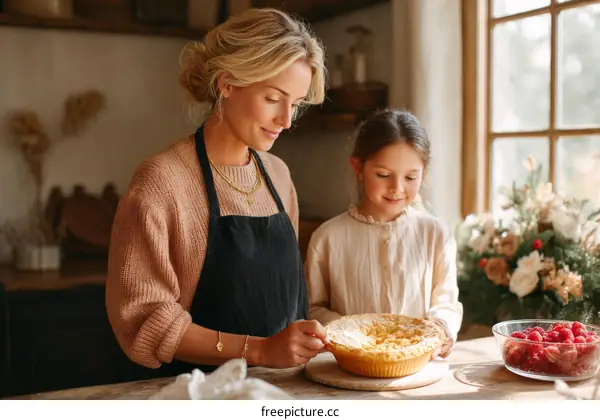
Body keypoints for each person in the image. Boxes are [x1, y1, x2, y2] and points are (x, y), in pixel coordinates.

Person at [105, 7, 330, 378]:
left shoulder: (278, 175)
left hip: (282, 390)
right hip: (194, 395)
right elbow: (146, 320)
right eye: (273, 98)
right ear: (228, 83)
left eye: (296, 104)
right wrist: (261, 350)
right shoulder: (161, 182)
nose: (286, 121)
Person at [305, 109, 463, 358]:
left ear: (424, 172)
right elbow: (314, 308)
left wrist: (440, 329)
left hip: (418, 370)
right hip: (349, 367)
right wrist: (354, 332)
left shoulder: (435, 233)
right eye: (383, 175)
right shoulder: (327, 238)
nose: (397, 188)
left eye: (411, 177)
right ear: (358, 167)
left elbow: (446, 302)